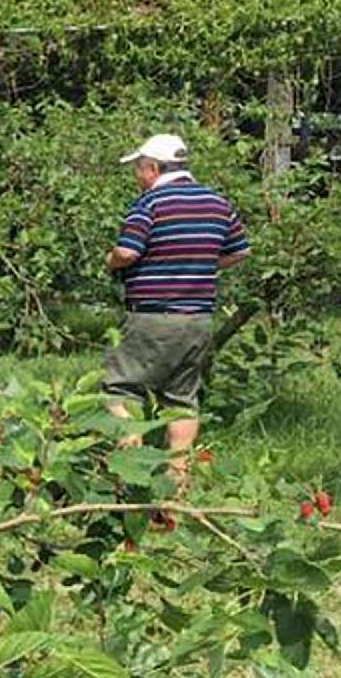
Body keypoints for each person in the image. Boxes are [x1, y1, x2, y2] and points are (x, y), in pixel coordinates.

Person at [102, 133, 249, 480]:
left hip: (152, 314)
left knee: (117, 389)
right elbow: (240, 250)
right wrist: (199, 265)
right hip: (197, 318)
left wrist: (110, 261)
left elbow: (127, 252)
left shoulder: (150, 203)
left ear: (152, 168)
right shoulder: (217, 202)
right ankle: (177, 480)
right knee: (182, 399)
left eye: (139, 169)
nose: (137, 177)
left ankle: (131, 470)